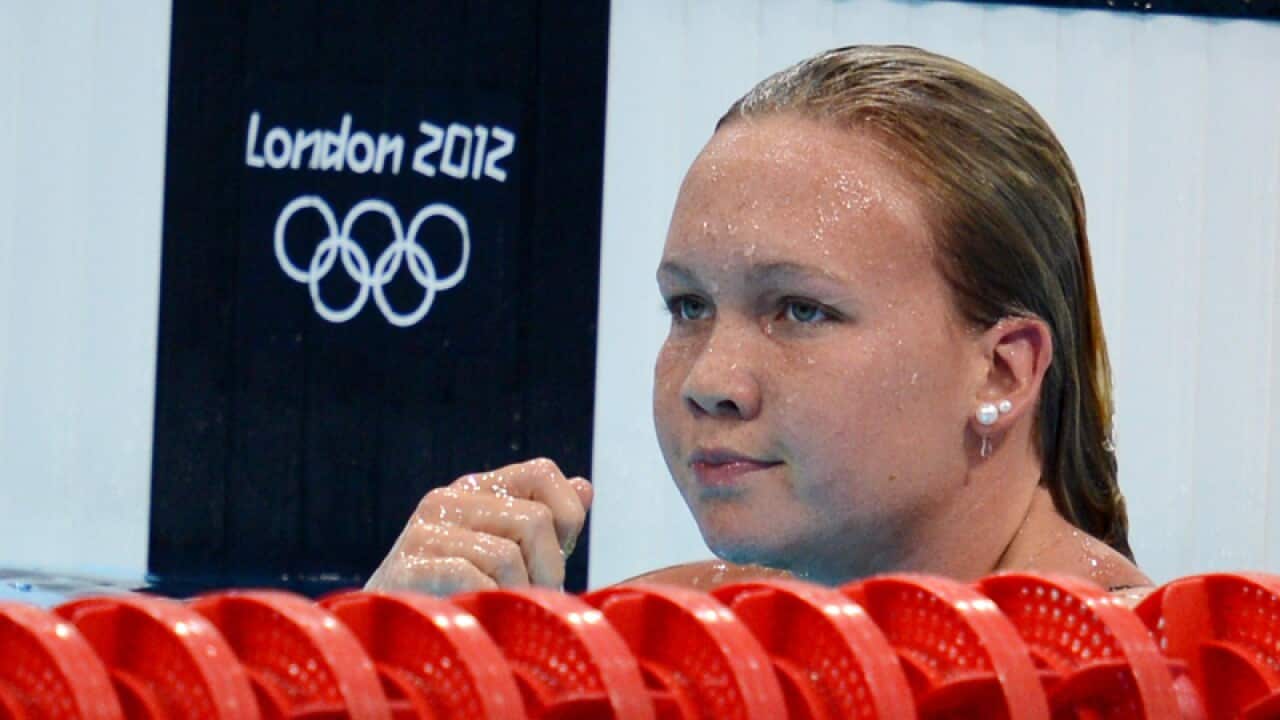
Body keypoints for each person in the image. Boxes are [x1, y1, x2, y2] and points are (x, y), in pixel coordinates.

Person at [365, 45, 1152, 600]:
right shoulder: (677, 642)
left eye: (800, 310)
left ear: (1002, 372)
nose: (709, 381)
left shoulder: (1165, 685)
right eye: (689, 306)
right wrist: (395, 669)